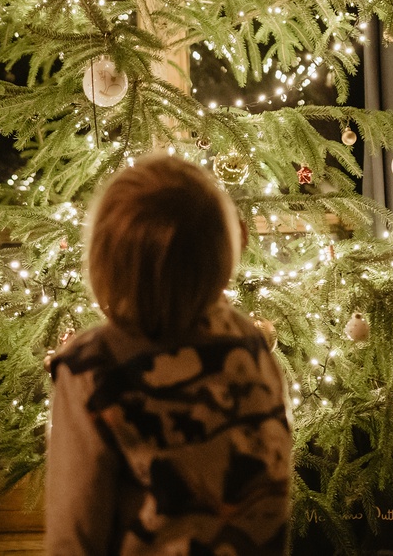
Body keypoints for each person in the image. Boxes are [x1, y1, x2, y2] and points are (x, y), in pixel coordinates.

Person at [45, 154, 292, 555]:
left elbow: (74, 534)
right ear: (222, 254)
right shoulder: (247, 339)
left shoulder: (92, 366)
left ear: (104, 261)